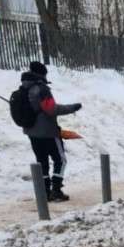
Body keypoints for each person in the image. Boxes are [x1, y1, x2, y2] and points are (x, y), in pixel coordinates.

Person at [17, 61, 82, 202]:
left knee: (41, 163)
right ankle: (56, 190)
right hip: (49, 133)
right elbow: (51, 109)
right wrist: (73, 108)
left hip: (31, 133)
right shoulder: (42, 90)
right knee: (61, 160)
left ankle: (45, 192)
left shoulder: (23, 89)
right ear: (42, 74)